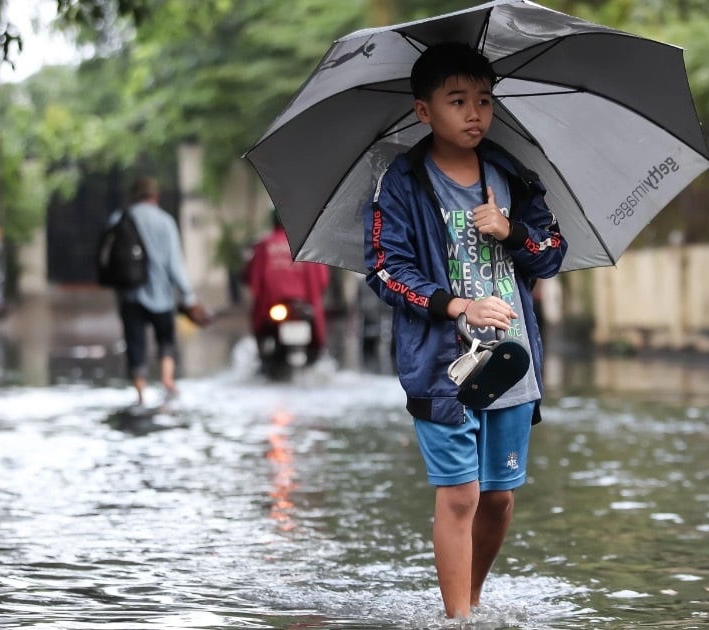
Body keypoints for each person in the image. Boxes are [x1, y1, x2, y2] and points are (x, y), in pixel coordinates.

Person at [361, 42, 567, 619]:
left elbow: (551, 254)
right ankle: (459, 619)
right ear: (425, 111)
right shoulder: (400, 182)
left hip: (512, 360)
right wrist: (457, 306)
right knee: (460, 495)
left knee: (498, 500)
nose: (475, 113)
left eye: (484, 100)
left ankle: (470, 600)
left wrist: (512, 232)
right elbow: (384, 269)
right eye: (457, 101)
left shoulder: (512, 175)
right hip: (441, 365)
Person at [110, 175, 202, 409]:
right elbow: (175, 265)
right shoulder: (165, 222)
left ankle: (140, 392)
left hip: (129, 295)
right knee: (165, 339)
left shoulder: (118, 219)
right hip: (161, 296)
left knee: (135, 342)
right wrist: (189, 297)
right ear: (155, 196)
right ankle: (167, 379)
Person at [242, 209, 331, 361]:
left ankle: (263, 357)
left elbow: (252, 277)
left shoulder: (264, 246)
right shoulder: (307, 246)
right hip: (304, 306)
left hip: (273, 307)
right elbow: (322, 278)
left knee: (261, 328)